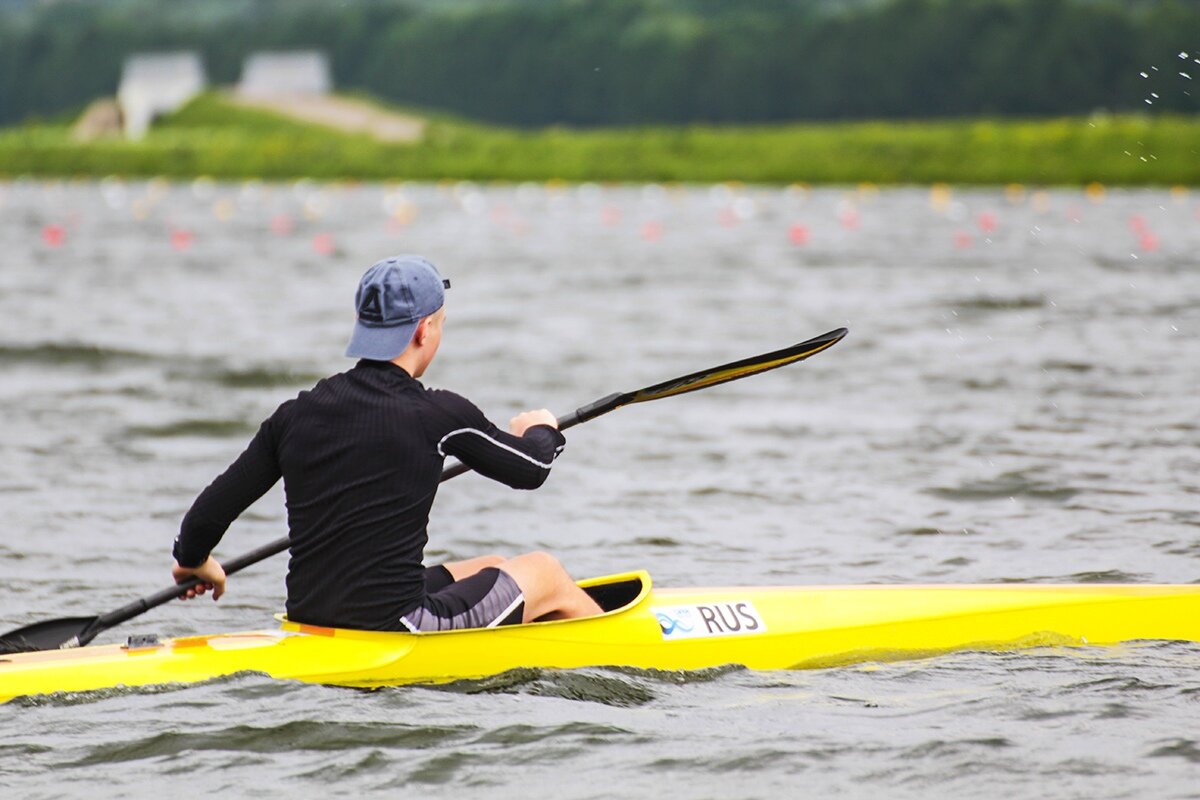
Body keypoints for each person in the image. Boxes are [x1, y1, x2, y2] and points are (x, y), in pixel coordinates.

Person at [171, 255, 602, 631]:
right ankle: (624, 648)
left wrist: (195, 562)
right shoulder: (437, 414)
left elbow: (205, 516)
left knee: (492, 566)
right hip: (398, 625)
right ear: (422, 331)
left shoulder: (295, 414)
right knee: (544, 570)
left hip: (309, 618)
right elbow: (532, 469)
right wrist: (543, 429)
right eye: (441, 325)